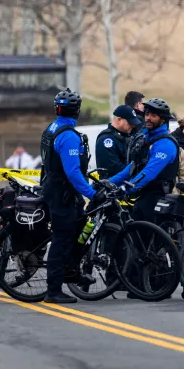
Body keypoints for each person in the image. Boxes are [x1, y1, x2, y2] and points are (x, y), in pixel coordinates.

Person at [40, 89, 105, 304]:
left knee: (79, 227)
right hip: (62, 192)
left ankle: (71, 271)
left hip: (57, 188)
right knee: (62, 237)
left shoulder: (52, 127)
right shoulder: (68, 135)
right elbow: (73, 172)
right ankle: (53, 290)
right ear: (77, 110)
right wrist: (92, 193)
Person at [108, 98, 181, 225]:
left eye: (153, 115)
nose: (148, 118)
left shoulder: (165, 143)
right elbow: (132, 167)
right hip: (143, 196)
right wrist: (108, 183)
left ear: (163, 119)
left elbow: (149, 172)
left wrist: (125, 188)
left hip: (159, 199)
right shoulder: (147, 140)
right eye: (147, 114)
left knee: (145, 240)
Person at [95, 105, 141, 179]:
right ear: (119, 120)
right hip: (111, 185)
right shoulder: (106, 139)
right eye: (130, 123)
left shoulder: (126, 136)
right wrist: (135, 169)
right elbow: (113, 168)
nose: (133, 126)